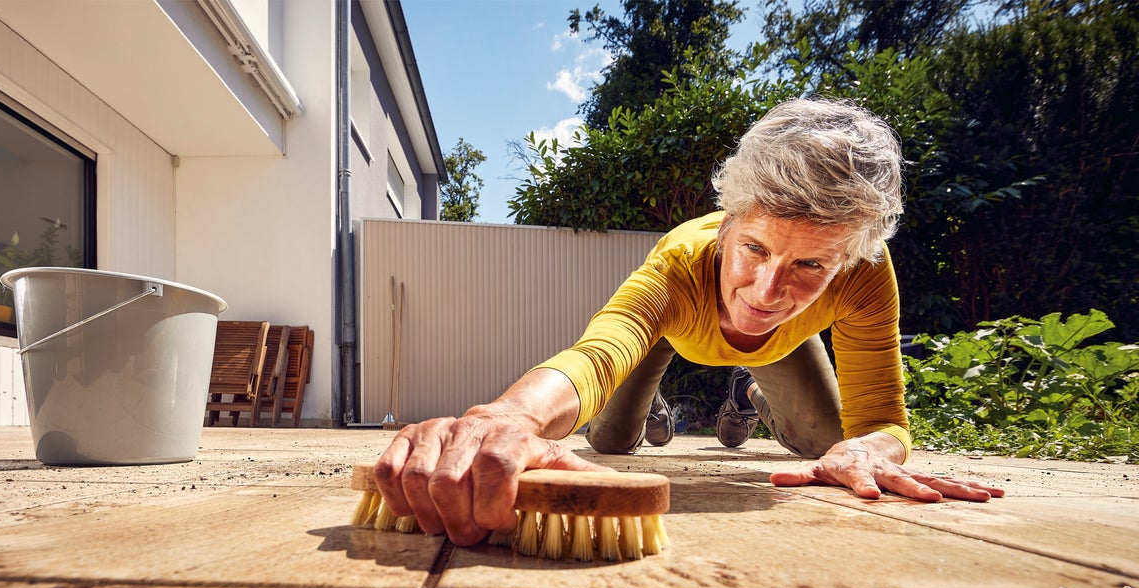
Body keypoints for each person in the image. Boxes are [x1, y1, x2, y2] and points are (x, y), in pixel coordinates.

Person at [373, 98, 1004, 547]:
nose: (766, 290)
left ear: (849, 256)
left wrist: (869, 448)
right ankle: (657, 408)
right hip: (665, 335)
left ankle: (752, 392)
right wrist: (509, 416)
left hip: (786, 347)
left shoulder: (867, 272)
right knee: (612, 442)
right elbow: (598, 353)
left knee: (826, 448)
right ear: (727, 220)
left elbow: (882, 420)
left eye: (810, 264)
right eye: (754, 248)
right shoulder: (680, 262)